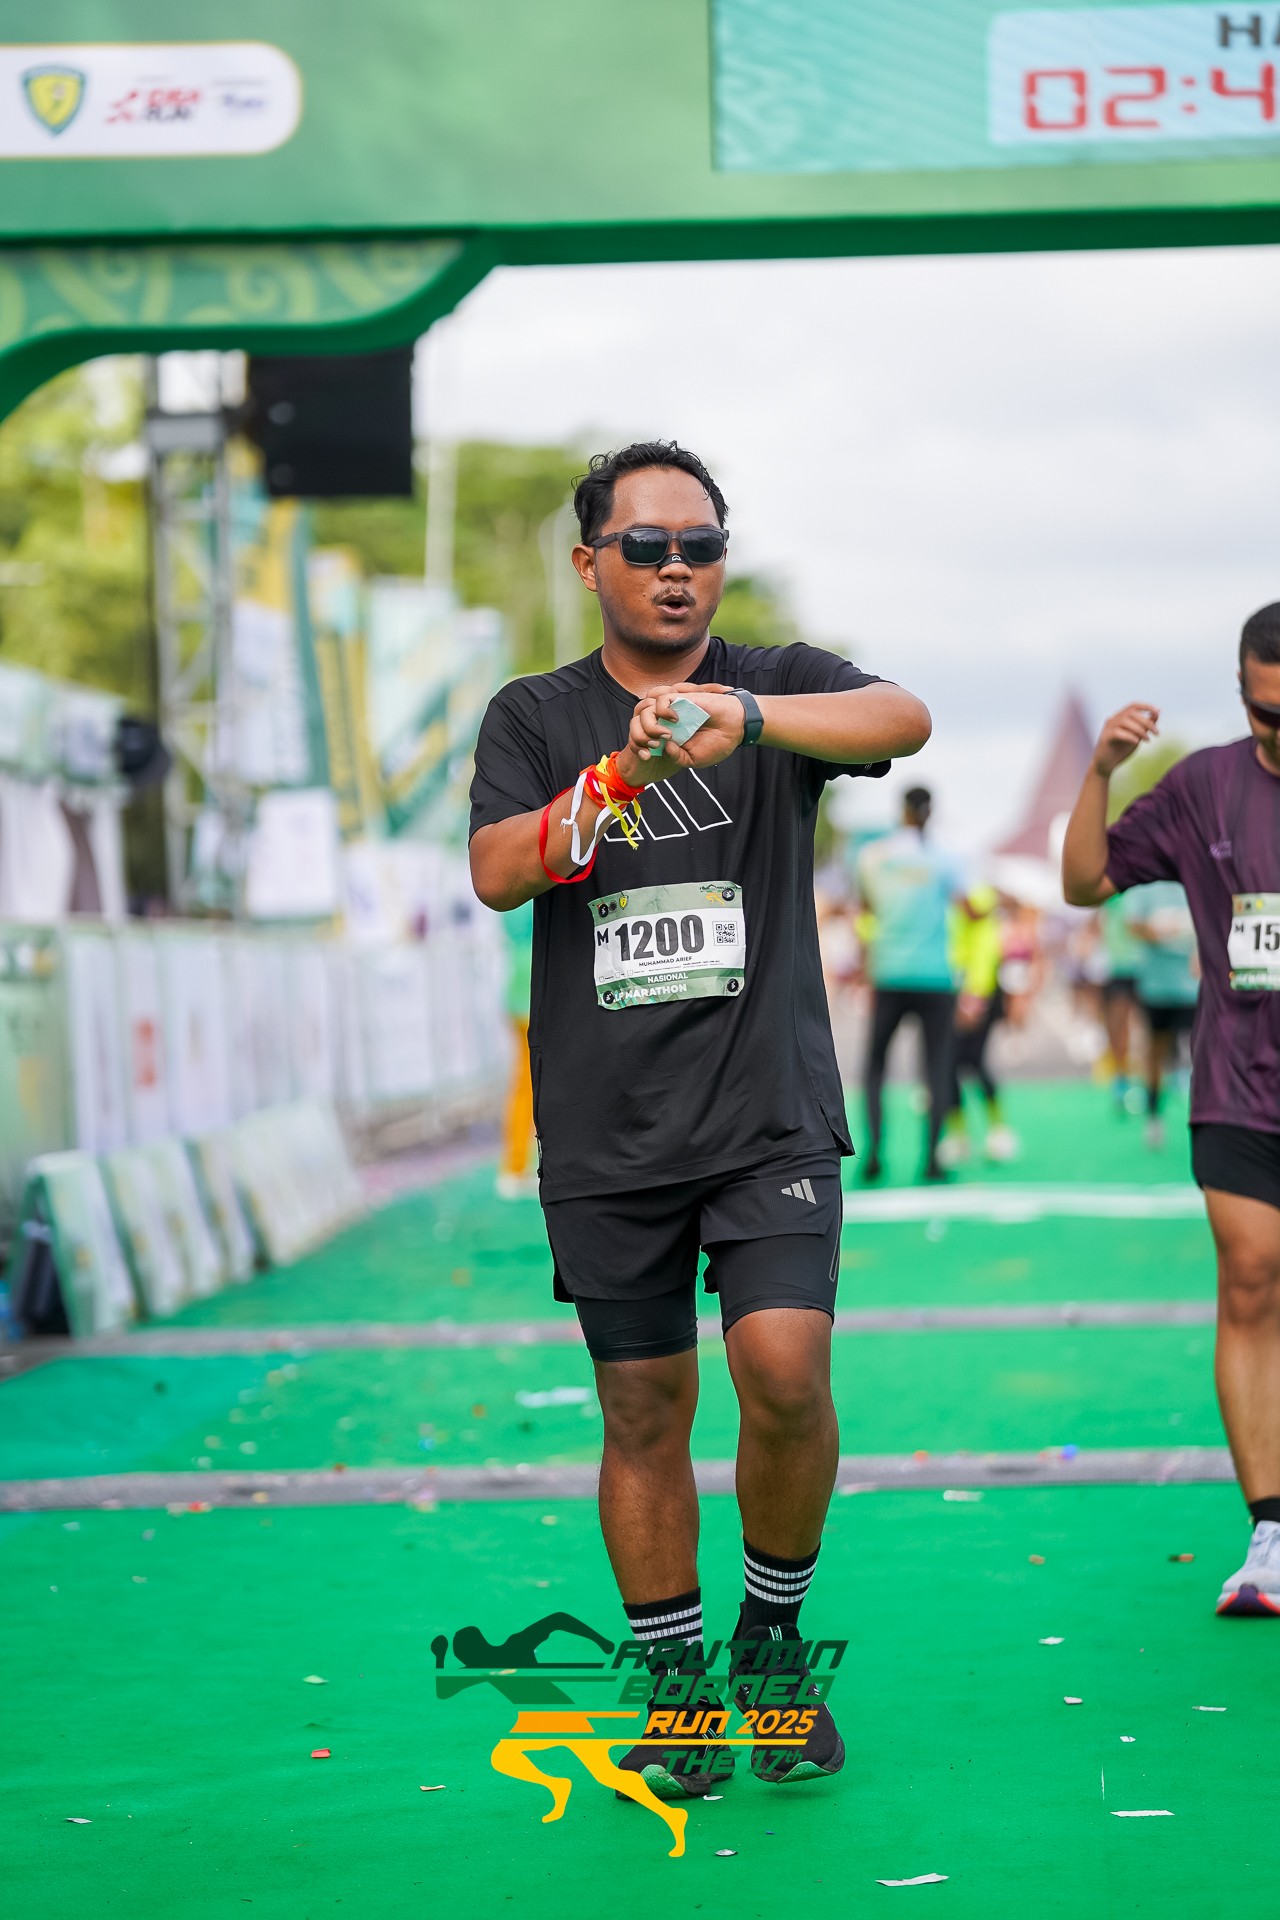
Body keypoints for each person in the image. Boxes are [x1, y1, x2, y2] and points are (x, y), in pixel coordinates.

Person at [469, 441, 931, 1797]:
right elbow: (496, 870)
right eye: (647, 546)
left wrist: (748, 718)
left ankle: (771, 1644)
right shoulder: (533, 715)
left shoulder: (774, 681)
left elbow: (902, 719)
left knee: (785, 1373)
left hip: (765, 1111)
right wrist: (612, 780)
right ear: (589, 563)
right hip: (608, 1132)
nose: (677, 569)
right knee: (644, 1407)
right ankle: (677, 1690)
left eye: (701, 546)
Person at [1062, 602, 1280, 1618]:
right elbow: (1083, 881)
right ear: (1240, 693)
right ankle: (1270, 1531)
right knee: (1251, 1278)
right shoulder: (1202, 787)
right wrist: (1100, 770)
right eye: (1266, 712)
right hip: (1240, 1086)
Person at [855, 787, 963, 1182]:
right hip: (935, 975)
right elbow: (969, 905)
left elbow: (867, 906)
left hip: (889, 971)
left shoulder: (874, 856)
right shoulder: (946, 858)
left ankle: (873, 1155)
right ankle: (932, 1160)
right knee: (936, 1067)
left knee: (875, 1066)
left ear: (902, 811)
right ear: (930, 812)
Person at [939, 883, 1019, 1168]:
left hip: (979, 999)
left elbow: (985, 954)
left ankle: (999, 1130)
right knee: (949, 1066)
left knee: (974, 1063)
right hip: (952, 995)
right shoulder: (948, 906)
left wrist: (974, 1001)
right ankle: (958, 1135)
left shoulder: (978, 900)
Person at [1123, 880, 1199, 1151]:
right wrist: (1160, 932)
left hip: (1192, 988)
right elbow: (1131, 924)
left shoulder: (1194, 881)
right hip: (1156, 987)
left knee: (1202, 1053)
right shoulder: (1145, 888)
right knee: (1156, 1051)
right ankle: (1154, 1116)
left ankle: (1203, 1117)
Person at [496, 897, 538, 1198]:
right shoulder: (533, 896)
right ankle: (516, 1167)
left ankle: (516, 1165)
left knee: (524, 1085)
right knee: (530, 1086)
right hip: (533, 995)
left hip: (517, 994)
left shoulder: (511, 900)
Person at [1099, 893, 1143, 1110]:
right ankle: (1121, 1077)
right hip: (1118, 968)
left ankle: (1147, 1083)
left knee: (1146, 1029)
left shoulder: (1144, 890)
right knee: (1118, 1026)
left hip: (1143, 967)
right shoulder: (1113, 895)